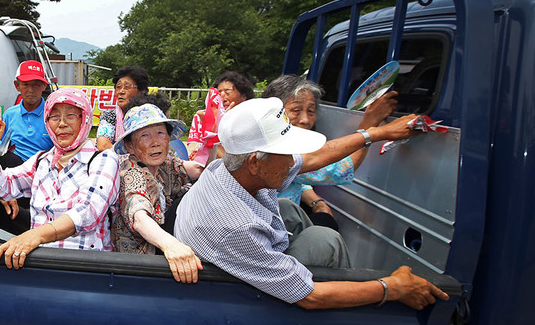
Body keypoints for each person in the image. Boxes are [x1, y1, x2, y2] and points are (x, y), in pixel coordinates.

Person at [174, 97, 449, 310]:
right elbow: (310, 296)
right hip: (241, 297)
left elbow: (316, 157)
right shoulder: (236, 225)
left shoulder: (229, 168)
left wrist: (375, 133)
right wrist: (392, 288)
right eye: (286, 152)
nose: (294, 158)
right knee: (325, 239)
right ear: (255, 163)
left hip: (243, 262)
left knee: (290, 209)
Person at [0, 88, 121, 268]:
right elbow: (0, 187)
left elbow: (87, 212)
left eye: (70, 115)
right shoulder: (42, 161)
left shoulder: (103, 159)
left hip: (84, 267)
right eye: (54, 117)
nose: (61, 124)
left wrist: (34, 235)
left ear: (85, 119)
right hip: (38, 261)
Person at [261, 75, 397, 230]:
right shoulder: (278, 152)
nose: (305, 119)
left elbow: (296, 178)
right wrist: (370, 124)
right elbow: (342, 168)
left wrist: (317, 202)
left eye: (311, 111)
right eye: (296, 110)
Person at [112, 103, 204, 283]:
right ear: (130, 146)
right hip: (141, 264)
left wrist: (212, 135)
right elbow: (139, 218)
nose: (155, 142)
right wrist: (172, 246)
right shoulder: (132, 172)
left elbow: (199, 170)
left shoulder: (165, 165)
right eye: (144, 135)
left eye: (160, 133)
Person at [186, 70, 255, 163]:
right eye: (219, 93)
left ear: (244, 96)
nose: (222, 97)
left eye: (227, 92)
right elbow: (196, 153)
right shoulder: (204, 117)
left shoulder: (252, 119)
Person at [0, 60, 53, 167]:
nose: (30, 90)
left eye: (36, 85)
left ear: (44, 86)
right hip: (15, 171)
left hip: (44, 170)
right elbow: (0, 144)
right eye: (25, 84)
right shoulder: (9, 114)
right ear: (17, 86)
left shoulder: (52, 115)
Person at [96, 65, 149, 151]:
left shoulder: (149, 114)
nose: (121, 92)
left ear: (141, 91)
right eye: (118, 87)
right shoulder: (110, 114)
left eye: (127, 87)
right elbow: (103, 145)